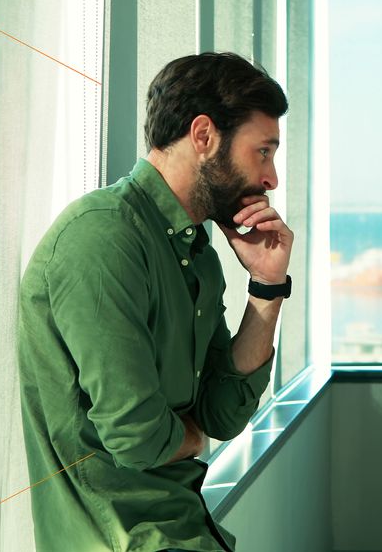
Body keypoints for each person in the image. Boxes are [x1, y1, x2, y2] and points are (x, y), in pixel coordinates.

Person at [17, 52, 293, 552]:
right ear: (205, 136)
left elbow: (223, 414)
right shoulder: (102, 236)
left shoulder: (195, 253)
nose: (271, 178)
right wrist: (192, 440)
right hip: (119, 538)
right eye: (264, 152)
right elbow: (137, 436)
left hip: (185, 530)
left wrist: (267, 288)